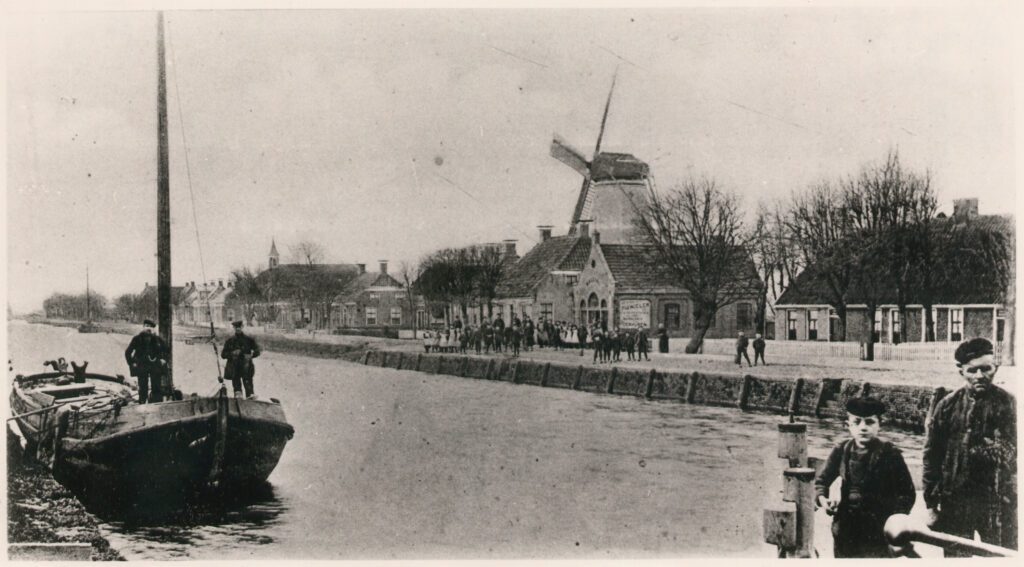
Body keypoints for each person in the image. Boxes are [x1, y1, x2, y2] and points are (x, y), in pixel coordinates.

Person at [923, 338, 1017, 555]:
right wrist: (930, 503)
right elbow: (931, 455)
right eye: (972, 370)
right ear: (961, 371)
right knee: (956, 555)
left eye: (986, 369)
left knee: (1001, 555)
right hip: (955, 501)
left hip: (998, 503)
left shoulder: (1010, 405)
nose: (980, 376)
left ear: (996, 367)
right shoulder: (947, 406)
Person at [814, 397, 917, 558]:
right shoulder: (841, 451)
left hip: (878, 532)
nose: (863, 428)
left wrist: (894, 522)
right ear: (848, 425)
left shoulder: (890, 454)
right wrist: (822, 499)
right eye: (857, 422)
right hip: (845, 530)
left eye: (869, 422)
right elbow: (821, 481)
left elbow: (907, 494)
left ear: (879, 425)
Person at [124, 319, 169, 404]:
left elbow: (166, 350)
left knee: (156, 386)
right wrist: (132, 363)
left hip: (155, 365)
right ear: (143, 327)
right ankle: (142, 403)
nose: (148, 328)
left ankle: (157, 404)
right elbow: (127, 352)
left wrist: (163, 359)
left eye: (151, 327)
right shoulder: (137, 339)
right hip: (142, 365)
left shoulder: (157, 339)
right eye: (147, 326)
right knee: (143, 387)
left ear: (153, 329)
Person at [222, 320, 262, 399]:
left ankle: (250, 402)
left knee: (249, 391)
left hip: (246, 367)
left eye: (239, 327)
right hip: (235, 368)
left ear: (242, 327)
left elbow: (257, 351)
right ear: (234, 328)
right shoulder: (230, 341)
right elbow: (223, 355)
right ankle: (238, 401)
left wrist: (251, 356)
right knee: (237, 392)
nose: (238, 329)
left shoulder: (249, 340)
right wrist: (232, 354)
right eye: (236, 327)